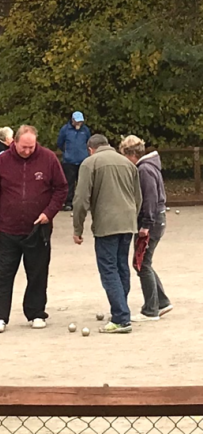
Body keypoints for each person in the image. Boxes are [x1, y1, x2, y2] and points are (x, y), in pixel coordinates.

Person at [0, 125, 68, 333]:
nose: (28, 151)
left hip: (38, 228)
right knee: (3, 274)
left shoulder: (48, 158)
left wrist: (48, 213)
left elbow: (62, 188)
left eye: (31, 147)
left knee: (38, 272)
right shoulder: (1, 161)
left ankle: (36, 313)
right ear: (15, 142)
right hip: (8, 228)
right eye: (24, 147)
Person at [73, 134, 142, 334]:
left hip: (106, 224)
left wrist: (78, 229)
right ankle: (122, 310)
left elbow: (80, 199)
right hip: (127, 223)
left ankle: (121, 317)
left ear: (90, 148)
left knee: (109, 269)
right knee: (122, 266)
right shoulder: (128, 163)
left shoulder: (89, 163)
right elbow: (138, 197)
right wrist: (131, 218)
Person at [119, 135, 173, 322]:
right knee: (144, 262)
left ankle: (151, 309)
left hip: (152, 221)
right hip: (156, 220)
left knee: (142, 263)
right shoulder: (149, 167)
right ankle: (162, 302)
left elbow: (149, 199)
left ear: (131, 154)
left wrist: (145, 225)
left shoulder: (144, 170)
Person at [57, 111, 91, 211]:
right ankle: (68, 202)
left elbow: (88, 142)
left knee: (83, 183)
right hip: (69, 161)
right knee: (69, 183)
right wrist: (67, 152)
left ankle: (83, 203)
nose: (79, 124)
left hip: (83, 161)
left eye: (81, 122)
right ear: (72, 120)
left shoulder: (85, 130)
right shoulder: (65, 129)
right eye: (77, 121)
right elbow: (60, 143)